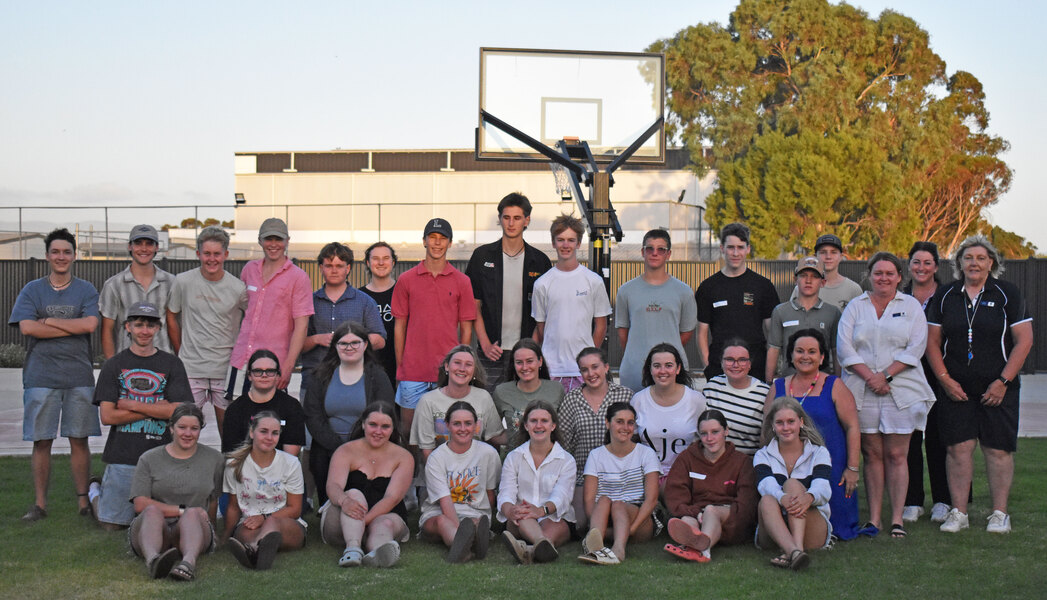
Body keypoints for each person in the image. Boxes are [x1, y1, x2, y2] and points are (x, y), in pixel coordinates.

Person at [925, 235, 1033, 534]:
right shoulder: (946, 295)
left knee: (997, 450)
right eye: (968, 257)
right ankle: (959, 512)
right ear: (959, 263)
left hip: (998, 388)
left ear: (992, 263)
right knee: (958, 449)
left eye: (981, 258)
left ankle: (1000, 514)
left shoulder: (1007, 293)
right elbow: (932, 343)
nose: (974, 263)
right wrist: (945, 381)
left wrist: (1003, 381)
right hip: (956, 388)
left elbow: (1024, 341)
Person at [837, 252, 935, 538]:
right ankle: (875, 519)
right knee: (872, 453)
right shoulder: (856, 306)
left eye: (889, 273)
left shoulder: (912, 306)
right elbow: (844, 348)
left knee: (896, 454)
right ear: (869, 275)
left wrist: (886, 376)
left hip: (900, 389)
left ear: (899, 277)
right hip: (861, 388)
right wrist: (871, 377)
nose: (883, 278)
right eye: (878, 273)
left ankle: (897, 520)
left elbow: (916, 347)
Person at [9, 227, 100, 521]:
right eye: (56, 251)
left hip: (78, 374)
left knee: (79, 439)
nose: (61, 257)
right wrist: (68, 324)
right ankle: (40, 505)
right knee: (42, 441)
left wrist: (47, 320)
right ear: (48, 255)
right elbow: (27, 327)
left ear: (75, 255)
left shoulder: (86, 289)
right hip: (41, 375)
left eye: (67, 252)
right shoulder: (32, 289)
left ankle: (83, 503)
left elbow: (89, 325)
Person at [90, 302, 191, 530]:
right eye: (138, 325)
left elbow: (178, 411)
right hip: (123, 455)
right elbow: (107, 416)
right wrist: (156, 408)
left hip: (162, 456)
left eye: (150, 325)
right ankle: (94, 492)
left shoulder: (172, 364)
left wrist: (132, 405)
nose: (144, 330)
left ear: (158, 328)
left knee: (166, 523)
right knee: (111, 525)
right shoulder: (114, 365)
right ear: (128, 327)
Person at [766, 329, 864, 540]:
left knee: (835, 518)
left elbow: (853, 427)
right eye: (799, 351)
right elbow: (767, 429)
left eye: (812, 351)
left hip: (830, 467)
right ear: (791, 355)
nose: (805, 356)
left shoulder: (834, 385)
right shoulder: (779, 386)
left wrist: (852, 468)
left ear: (821, 357)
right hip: (788, 466)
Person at [392, 218, 476, 440]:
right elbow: (399, 326)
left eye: (442, 239)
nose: (437, 243)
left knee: (445, 434)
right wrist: (402, 366)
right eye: (433, 238)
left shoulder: (462, 281)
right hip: (412, 372)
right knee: (409, 433)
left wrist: (460, 367)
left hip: (446, 373)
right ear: (424, 241)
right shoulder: (406, 279)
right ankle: (412, 474)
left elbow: (466, 330)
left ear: (449, 244)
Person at [167, 225, 248, 439]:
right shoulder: (182, 282)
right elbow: (171, 316)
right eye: (207, 254)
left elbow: (253, 323)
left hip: (225, 370)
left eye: (217, 254)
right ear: (198, 254)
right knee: (185, 431)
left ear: (226, 255)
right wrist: (180, 352)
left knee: (230, 432)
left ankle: (228, 472)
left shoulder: (238, 288)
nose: (212, 259)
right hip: (191, 368)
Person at [466, 192, 552, 390]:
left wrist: (532, 345)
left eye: (517, 218)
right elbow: (474, 305)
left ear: (526, 220)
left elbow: (544, 312)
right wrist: (485, 344)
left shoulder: (540, 261)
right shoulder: (481, 256)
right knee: (487, 409)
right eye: (506, 218)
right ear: (500, 219)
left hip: (525, 355)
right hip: (491, 352)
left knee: (524, 411)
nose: (511, 223)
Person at [128, 404, 224, 581]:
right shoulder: (149, 458)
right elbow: (140, 503)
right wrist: (182, 510)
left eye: (194, 428)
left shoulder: (214, 458)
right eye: (182, 427)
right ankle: (154, 561)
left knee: (193, 515)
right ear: (171, 428)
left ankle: (188, 564)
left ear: (200, 430)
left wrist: (213, 530)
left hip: (194, 528)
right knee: (151, 511)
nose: (188, 433)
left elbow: (213, 499)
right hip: (157, 527)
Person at [304, 321, 394, 505]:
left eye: (355, 342)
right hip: (328, 447)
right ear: (335, 346)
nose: (349, 347)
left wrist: (358, 446)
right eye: (343, 343)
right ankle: (327, 507)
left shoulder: (377, 376)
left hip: (369, 445)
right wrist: (338, 447)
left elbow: (385, 414)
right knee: (320, 459)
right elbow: (313, 416)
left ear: (365, 345)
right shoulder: (320, 375)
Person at [320, 402, 414, 568]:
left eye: (385, 426)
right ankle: (353, 549)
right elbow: (333, 486)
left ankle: (379, 551)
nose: (378, 431)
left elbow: (392, 498)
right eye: (373, 425)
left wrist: (363, 521)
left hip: (385, 514)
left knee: (385, 524)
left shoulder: (403, 457)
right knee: (354, 494)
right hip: (343, 516)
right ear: (363, 424)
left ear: (393, 429)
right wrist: (344, 501)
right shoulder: (345, 450)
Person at [901, 241, 954, 523]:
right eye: (916, 262)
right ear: (909, 265)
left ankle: (944, 500)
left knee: (939, 437)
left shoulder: (948, 296)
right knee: (909, 438)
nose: (921, 268)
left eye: (927, 263)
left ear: (936, 266)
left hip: (941, 375)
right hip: (907, 376)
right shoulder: (899, 296)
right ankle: (912, 500)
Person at [229, 217, 313, 394]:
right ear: (260, 241)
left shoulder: (298, 277)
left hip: (274, 364)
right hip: (241, 359)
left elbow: (301, 325)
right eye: (268, 239)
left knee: (270, 418)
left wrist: (288, 366)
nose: (273, 244)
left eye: (278, 239)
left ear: (287, 241)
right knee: (235, 414)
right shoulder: (249, 270)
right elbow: (239, 312)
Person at [663, 409, 757, 563]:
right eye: (704, 433)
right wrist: (695, 513)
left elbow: (746, 503)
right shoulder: (687, 458)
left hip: (728, 519)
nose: (709, 438)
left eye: (715, 432)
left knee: (711, 511)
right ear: (698, 435)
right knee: (687, 519)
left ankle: (702, 550)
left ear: (726, 431)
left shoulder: (742, 462)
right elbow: (675, 494)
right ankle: (694, 542)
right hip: (696, 514)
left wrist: (708, 514)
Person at [531, 214, 612, 392]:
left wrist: (588, 360)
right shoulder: (542, 284)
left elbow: (601, 326)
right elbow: (541, 328)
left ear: (578, 243)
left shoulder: (594, 281)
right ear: (553, 243)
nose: (565, 245)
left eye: (570, 240)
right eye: (560, 240)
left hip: (582, 371)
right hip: (552, 370)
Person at [558, 347, 635, 531]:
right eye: (584, 370)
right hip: (583, 475)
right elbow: (564, 444)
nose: (591, 373)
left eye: (595, 367)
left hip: (620, 473)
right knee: (581, 525)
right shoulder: (572, 399)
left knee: (616, 517)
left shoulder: (625, 395)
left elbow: (635, 435)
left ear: (606, 367)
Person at [754, 397, 833, 571]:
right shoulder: (763, 455)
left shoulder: (819, 452)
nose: (786, 427)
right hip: (774, 530)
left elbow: (823, 488)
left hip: (811, 529)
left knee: (792, 484)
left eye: (791, 421)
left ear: (801, 422)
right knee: (767, 499)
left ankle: (794, 549)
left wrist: (809, 497)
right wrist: (782, 498)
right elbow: (765, 485)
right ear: (773, 426)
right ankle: (795, 552)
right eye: (780, 423)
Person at [301, 242, 386, 401]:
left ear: (348, 269)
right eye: (329, 265)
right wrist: (317, 339)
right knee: (311, 425)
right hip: (315, 381)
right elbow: (297, 345)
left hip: (356, 381)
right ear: (321, 268)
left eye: (339, 265)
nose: (334, 270)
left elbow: (380, 340)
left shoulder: (365, 302)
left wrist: (353, 342)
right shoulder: (308, 302)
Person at [615, 228, 697, 392]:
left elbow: (686, 332)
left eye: (661, 249)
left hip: (671, 373)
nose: (655, 253)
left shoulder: (684, 291)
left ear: (668, 254)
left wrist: (666, 356)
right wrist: (637, 354)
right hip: (634, 371)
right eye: (649, 248)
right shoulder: (626, 290)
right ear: (642, 252)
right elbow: (623, 332)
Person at [694, 222, 779, 381]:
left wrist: (769, 370)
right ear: (722, 249)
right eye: (730, 247)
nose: (735, 252)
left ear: (748, 249)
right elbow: (701, 333)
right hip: (719, 372)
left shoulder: (763, 286)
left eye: (740, 247)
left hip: (756, 370)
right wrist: (708, 367)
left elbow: (773, 333)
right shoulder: (708, 287)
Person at [578, 402, 660, 565]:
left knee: (618, 505)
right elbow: (589, 500)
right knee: (603, 500)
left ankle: (618, 550)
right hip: (605, 518)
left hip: (639, 520)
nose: (626, 427)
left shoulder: (646, 453)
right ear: (608, 423)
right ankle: (595, 545)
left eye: (630, 422)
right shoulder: (596, 455)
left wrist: (631, 530)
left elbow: (651, 500)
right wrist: (592, 522)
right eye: (619, 421)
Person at [419, 401, 501, 563]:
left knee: (475, 522)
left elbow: (490, 494)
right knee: (443, 522)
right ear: (447, 425)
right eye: (457, 424)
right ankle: (463, 545)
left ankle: (469, 540)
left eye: (468, 423)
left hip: (473, 512)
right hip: (439, 513)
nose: (463, 429)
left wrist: (484, 518)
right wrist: (460, 530)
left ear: (476, 426)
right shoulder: (437, 458)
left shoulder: (488, 453)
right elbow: (445, 501)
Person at [223, 411, 306, 570]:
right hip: (249, 523)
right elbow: (233, 506)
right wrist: (226, 535)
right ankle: (261, 549)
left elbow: (295, 509)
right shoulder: (234, 464)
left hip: (285, 523)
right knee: (244, 532)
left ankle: (254, 550)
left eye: (275, 433)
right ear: (251, 432)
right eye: (263, 431)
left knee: (272, 523)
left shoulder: (291, 463)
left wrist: (265, 517)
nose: (269, 437)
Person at [497, 401, 576, 564]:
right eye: (533, 421)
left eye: (544, 421)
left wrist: (541, 511)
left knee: (550, 529)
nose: (538, 425)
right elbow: (506, 491)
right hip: (521, 517)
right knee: (525, 516)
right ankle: (541, 545)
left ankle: (529, 551)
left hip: (554, 516)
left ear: (553, 426)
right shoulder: (514, 457)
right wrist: (510, 510)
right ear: (526, 425)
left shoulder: (566, 460)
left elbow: (562, 495)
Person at [411, 345, 506, 462]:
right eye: (457, 363)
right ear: (447, 366)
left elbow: (495, 436)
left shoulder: (483, 397)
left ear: (474, 370)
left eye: (468, 365)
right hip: (439, 470)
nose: (462, 368)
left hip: (475, 471)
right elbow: (426, 449)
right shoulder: (428, 401)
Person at [630, 343, 706, 483]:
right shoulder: (638, 400)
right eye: (657, 366)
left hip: (686, 477)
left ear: (678, 369)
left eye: (669, 365)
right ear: (650, 369)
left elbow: (705, 443)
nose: (662, 371)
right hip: (646, 477)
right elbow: (632, 442)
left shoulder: (696, 400)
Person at [99, 224, 175, 357]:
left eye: (149, 244)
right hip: (126, 364)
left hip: (163, 364)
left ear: (157, 247)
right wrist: (112, 368)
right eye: (138, 243)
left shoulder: (171, 283)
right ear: (130, 246)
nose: (144, 248)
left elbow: (176, 326)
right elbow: (107, 330)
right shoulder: (114, 284)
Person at [766, 256, 841, 382]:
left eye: (815, 276)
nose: (808, 280)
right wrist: (769, 383)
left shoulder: (833, 313)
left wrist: (837, 383)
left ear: (823, 282)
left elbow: (836, 351)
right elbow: (773, 349)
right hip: (788, 383)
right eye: (803, 275)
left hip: (821, 385)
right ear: (795, 279)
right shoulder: (780, 311)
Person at [222, 350, 307, 456]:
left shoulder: (292, 407)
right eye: (258, 371)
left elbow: (290, 457)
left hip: (282, 469)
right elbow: (231, 454)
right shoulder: (235, 409)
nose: (264, 375)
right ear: (249, 375)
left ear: (277, 375)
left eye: (270, 371)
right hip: (243, 467)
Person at [703, 339, 770, 455]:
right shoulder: (711, 387)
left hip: (748, 464)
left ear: (749, 364)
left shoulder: (764, 393)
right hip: (713, 462)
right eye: (729, 359)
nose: (736, 365)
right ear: (721, 362)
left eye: (742, 360)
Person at [492, 338, 564, 446]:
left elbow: (563, 429)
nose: (525, 367)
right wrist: (513, 439)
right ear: (513, 365)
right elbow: (493, 433)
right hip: (515, 459)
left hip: (549, 457)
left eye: (530, 361)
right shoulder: (501, 392)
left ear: (540, 361)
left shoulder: (556, 389)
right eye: (519, 362)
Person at [359, 242, 399, 386]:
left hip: (399, 369)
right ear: (368, 263)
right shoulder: (359, 296)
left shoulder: (404, 292)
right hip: (366, 370)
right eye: (376, 258)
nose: (381, 262)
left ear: (393, 262)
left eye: (386, 258)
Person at [790, 233, 863, 311]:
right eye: (823, 252)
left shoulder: (854, 290)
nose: (828, 257)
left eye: (833, 252)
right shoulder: (802, 288)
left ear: (841, 257)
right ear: (815, 256)